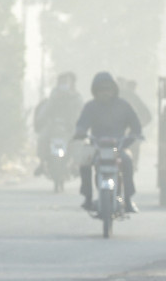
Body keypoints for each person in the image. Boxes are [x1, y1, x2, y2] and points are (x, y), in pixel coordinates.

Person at [74, 72, 143, 212]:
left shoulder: (124, 106)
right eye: (101, 89)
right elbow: (82, 124)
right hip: (96, 146)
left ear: (114, 90)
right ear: (95, 91)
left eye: (108, 89)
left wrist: (134, 135)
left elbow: (136, 125)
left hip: (119, 146)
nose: (105, 93)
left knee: (128, 161)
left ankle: (128, 199)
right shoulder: (90, 107)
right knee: (84, 163)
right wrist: (80, 132)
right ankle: (87, 198)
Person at [33, 72, 83, 177]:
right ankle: (42, 164)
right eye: (62, 82)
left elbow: (81, 112)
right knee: (42, 139)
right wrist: (40, 119)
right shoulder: (54, 96)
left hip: (70, 127)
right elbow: (46, 110)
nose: (64, 84)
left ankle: (75, 165)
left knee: (79, 142)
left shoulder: (76, 97)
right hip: (53, 127)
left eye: (66, 82)